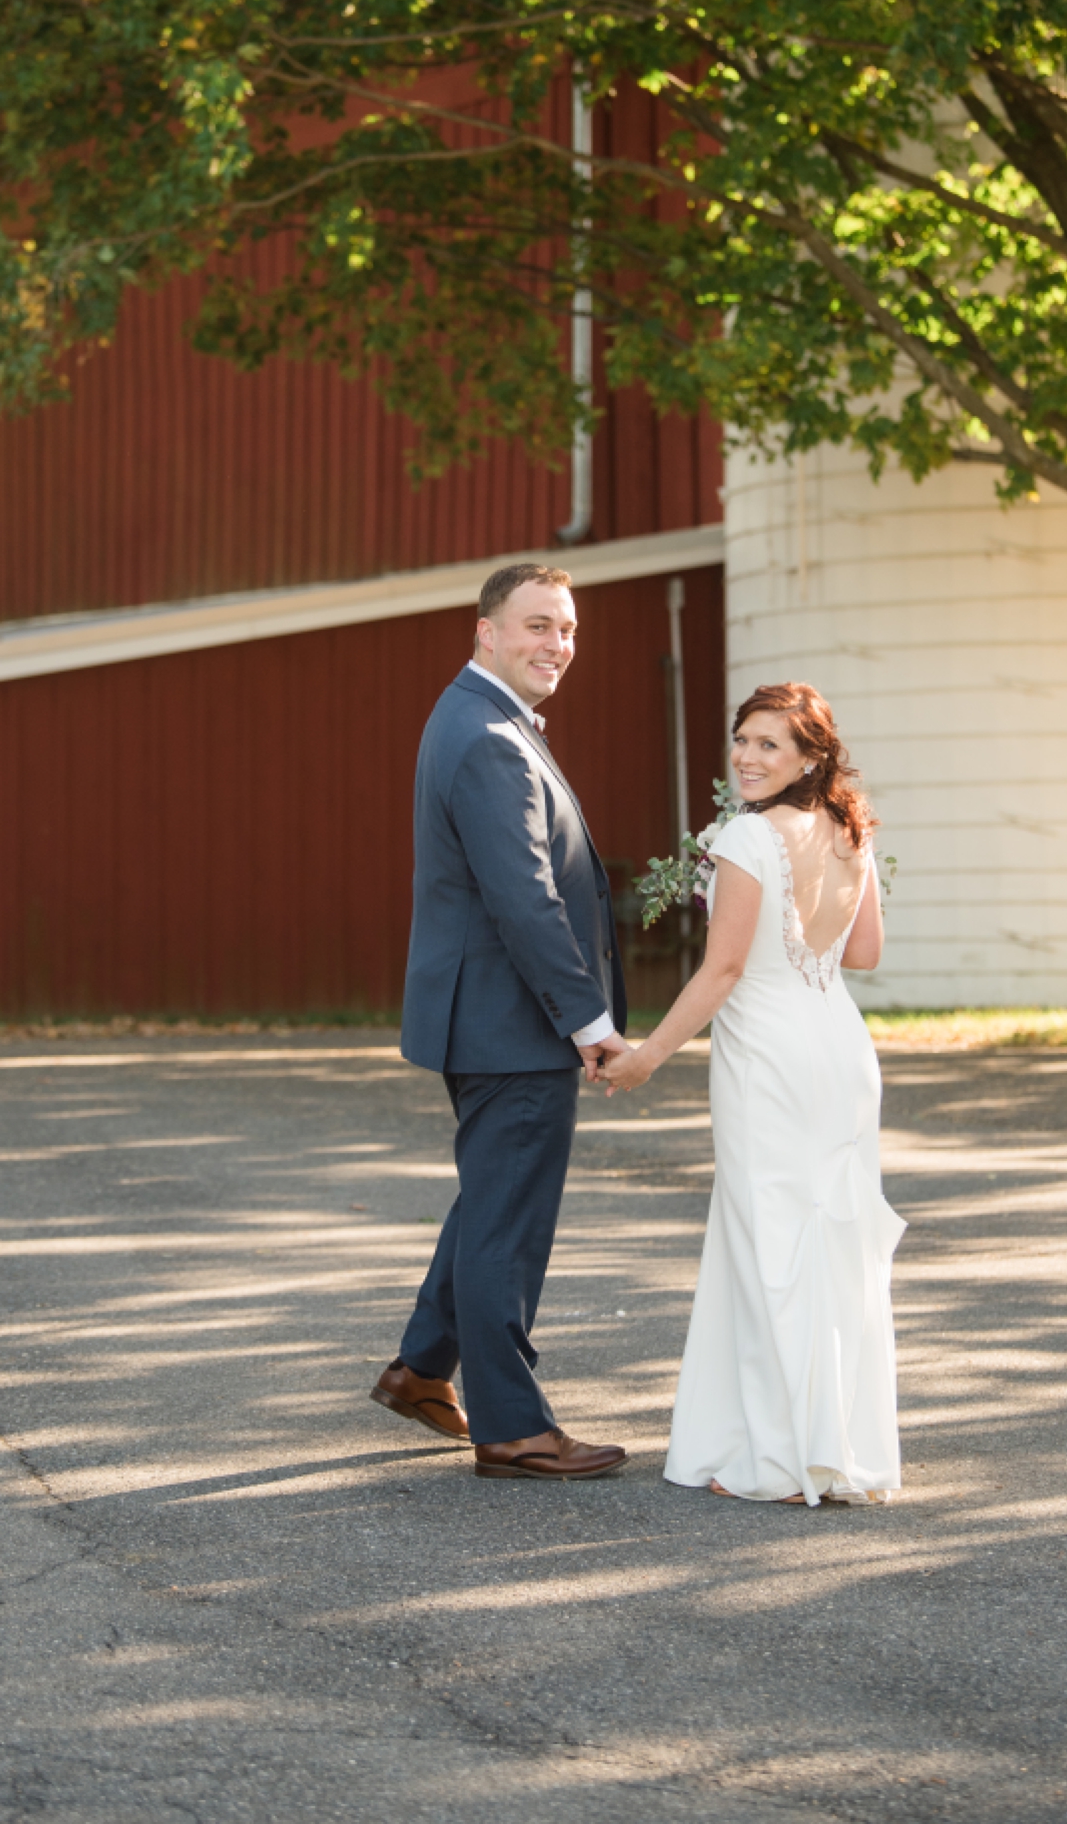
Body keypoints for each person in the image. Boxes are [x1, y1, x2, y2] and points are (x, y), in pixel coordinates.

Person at [598, 681, 904, 1506]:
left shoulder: (744, 834)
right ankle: (831, 1443)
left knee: (772, 1240)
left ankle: (776, 1458)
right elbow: (864, 953)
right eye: (742, 739)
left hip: (770, 1056)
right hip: (838, 1046)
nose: (748, 756)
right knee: (828, 1239)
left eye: (770, 744)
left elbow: (724, 968)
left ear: (810, 757)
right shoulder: (850, 831)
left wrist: (648, 1054)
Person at [371, 562, 635, 1480]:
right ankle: (513, 1427)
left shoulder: (482, 719)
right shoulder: (486, 734)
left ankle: (421, 1368)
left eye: (566, 628)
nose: (556, 644)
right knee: (506, 1219)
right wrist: (588, 1020)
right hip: (509, 1020)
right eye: (536, 626)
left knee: (491, 1196)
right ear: (485, 631)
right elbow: (523, 897)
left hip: (487, 1015)